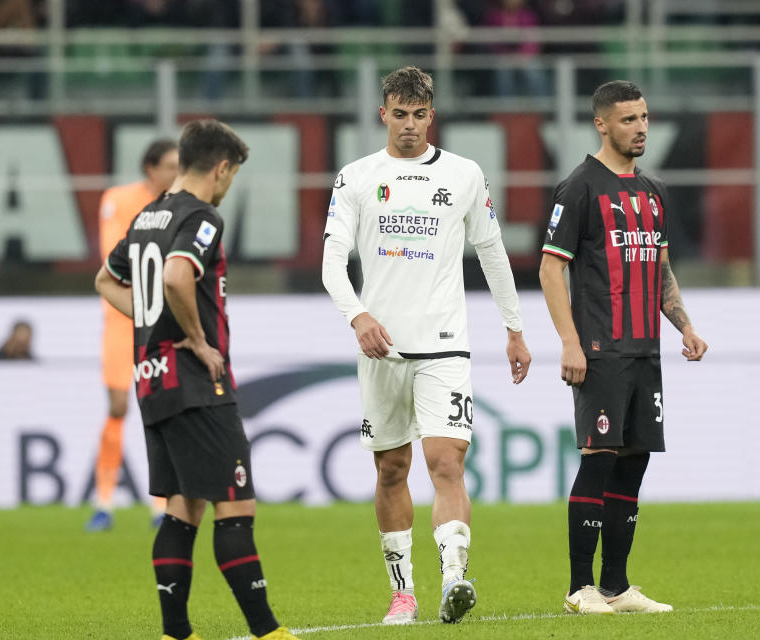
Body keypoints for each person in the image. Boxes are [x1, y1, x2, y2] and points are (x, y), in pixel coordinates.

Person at [322, 66, 531, 625]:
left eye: (419, 115)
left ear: (431, 116)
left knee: (446, 461)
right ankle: (403, 593)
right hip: (380, 348)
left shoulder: (464, 175)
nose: (409, 125)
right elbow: (332, 261)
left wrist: (513, 327)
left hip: (444, 344)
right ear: (382, 114)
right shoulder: (356, 177)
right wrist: (357, 316)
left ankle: (455, 577)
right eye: (399, 113)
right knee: (392, 468)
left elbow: (492, 252)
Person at [95, 119, 297, 640]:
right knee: (235, 505)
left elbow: (105, 280)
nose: (229, 187)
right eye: (232, 176)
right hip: (195, 381)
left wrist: (150, 323)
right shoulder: (201, 217)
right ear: (222, 168)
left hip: (150, 378)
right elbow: (176, 275)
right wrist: (198, 339)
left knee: (182, 509)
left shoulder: (146, 216)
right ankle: (267, 631)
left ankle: (176, 632)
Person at [538, 80, 708, 615]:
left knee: (634, 462)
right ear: (602, 124)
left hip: (645, 351)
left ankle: (615, 585)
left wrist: (684, 325)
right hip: (601, 349)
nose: (640, 128)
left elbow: (658, 268)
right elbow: (550, 268)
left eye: (644, 117)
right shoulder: (580, 188)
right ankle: (578, 587)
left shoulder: (652, 191)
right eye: (629, 119)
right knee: (599, 457)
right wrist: (569, 342)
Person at [87, 138, 179, 532]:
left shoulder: (182, 207)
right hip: (123, 318)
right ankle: (104, 500)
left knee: (158, 406)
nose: (175, 174)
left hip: (162, 319)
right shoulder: (119, 199)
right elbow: (114, 260)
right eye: (169, 166)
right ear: (149, 168)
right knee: (119, 406)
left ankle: (159, 505)